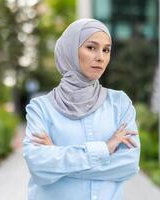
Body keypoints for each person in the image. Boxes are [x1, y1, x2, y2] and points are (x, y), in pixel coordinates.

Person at [23, 18, 140, 200]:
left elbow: (128, 165)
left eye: (106, 50)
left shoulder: (119, 103)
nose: (100, 57)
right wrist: (105, 149)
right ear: (70, 50)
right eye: (91, 47)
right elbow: (38, 165)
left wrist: (57, 160)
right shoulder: (41, 108)